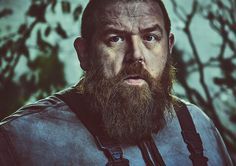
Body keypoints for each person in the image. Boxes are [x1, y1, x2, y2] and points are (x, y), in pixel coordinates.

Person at [0, 0, 233, 165]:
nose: (136, 55)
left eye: (150, 37)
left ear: (169, 48)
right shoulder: (20, 138)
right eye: (115, 39)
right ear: (85, 54)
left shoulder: (199, 125)